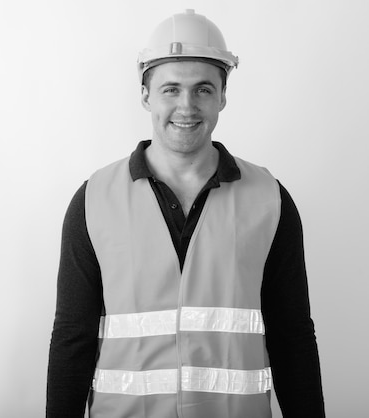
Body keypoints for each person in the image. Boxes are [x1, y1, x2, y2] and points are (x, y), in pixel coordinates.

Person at [46, 9, 325, 418]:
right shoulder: (93, 201)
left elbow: (293, 337)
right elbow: (73, 337)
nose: (187, 106)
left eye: (203, 90)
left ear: (223, 95)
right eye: (171, 89)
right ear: (145, 95)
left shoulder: (270, 200)